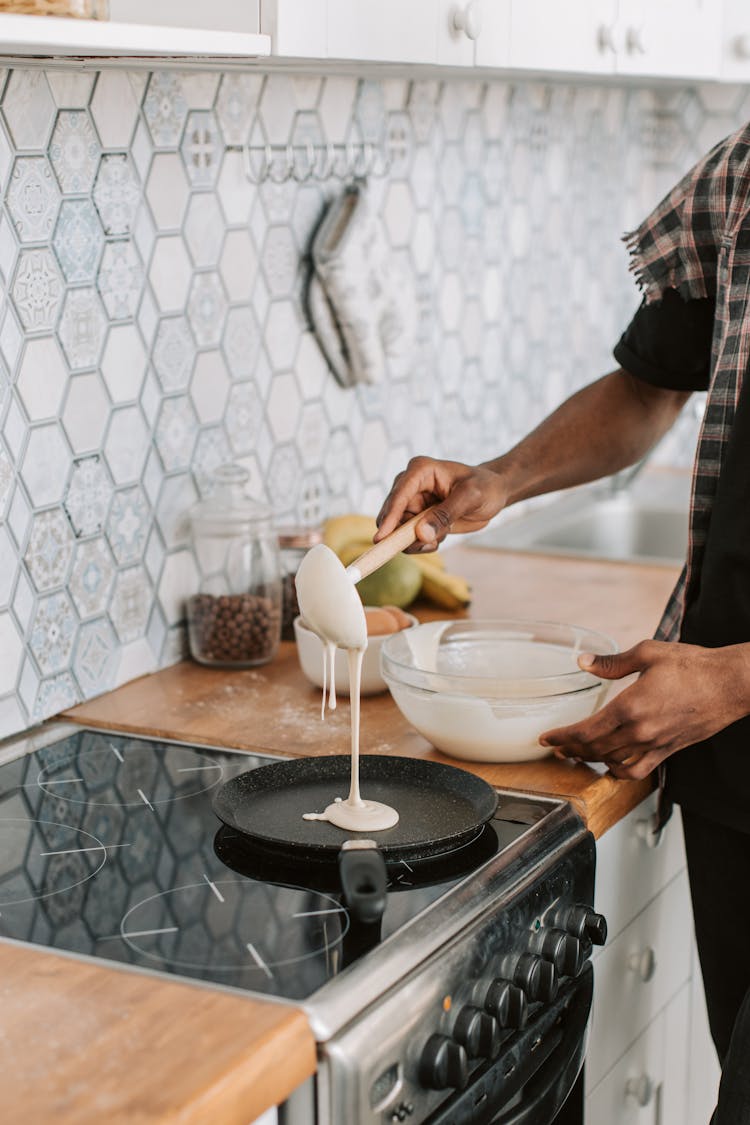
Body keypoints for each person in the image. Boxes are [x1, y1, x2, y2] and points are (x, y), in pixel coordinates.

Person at [375, 120, 750, 1123]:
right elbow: (650, 385)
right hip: (734, 770)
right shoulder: (744, 173)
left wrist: (732, 678)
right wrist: (503, 476)